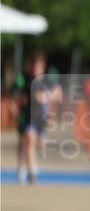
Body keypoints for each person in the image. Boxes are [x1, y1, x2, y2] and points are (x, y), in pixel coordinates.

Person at [12, 51, 60, 184]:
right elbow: (16, 94)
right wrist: (16, 105)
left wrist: (48, 99)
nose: (36, 69)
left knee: (39, 145)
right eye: (34, 66)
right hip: (28, 117)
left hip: (42, 119)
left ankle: (26, 165)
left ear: (43, 67)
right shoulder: (25, 79)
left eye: (39, 66)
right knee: (28, 140)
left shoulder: (46, 80)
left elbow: (57, 93)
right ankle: (30, 172)